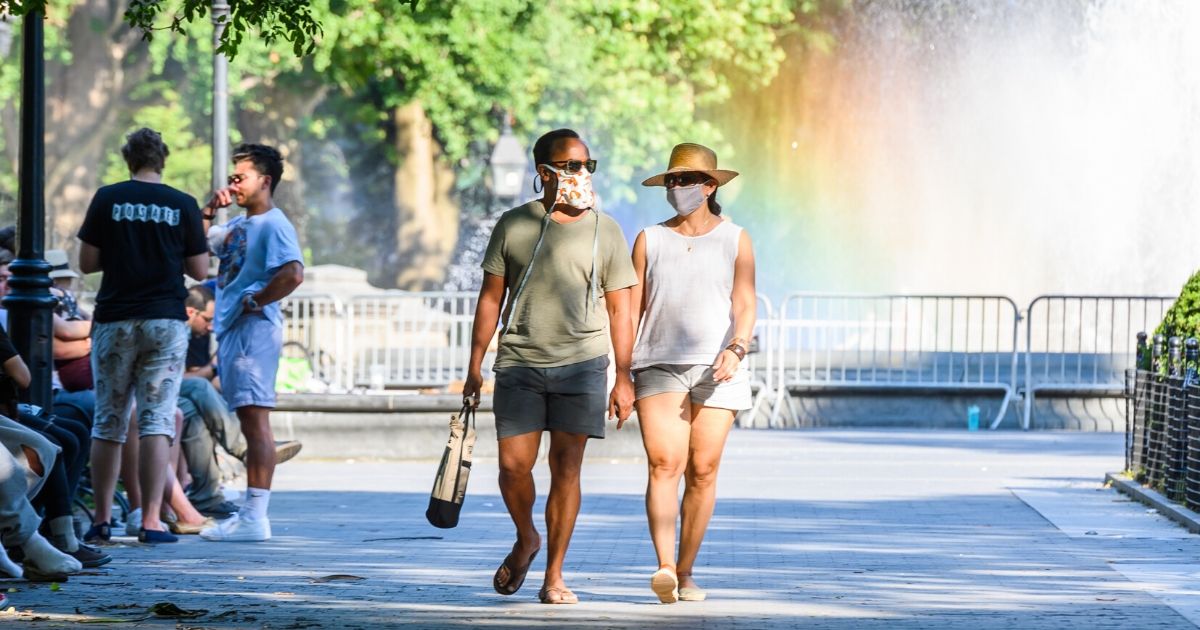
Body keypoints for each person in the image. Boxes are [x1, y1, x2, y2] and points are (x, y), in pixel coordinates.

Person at [463, 129, 637, 605]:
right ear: (545, 173)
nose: (583, 175)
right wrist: (474, 365)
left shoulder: (608, 230)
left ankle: (554, 575)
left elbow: (622, 309)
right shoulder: (513, 225)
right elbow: (490, 298)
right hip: (519, 362)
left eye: (587, 166)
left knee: (567, 469)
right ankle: (527, 538)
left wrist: (624, 377)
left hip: (582, 365)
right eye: (573, 166)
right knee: (513, 466)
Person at [629, 143, 756, 603]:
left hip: (719, 366)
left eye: (686, 181)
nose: (677, 188)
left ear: (709, 186)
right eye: (672, 181)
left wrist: (737, 348)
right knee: (666, 464)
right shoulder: (649, 239)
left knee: (702, 470)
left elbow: (744, 302)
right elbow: (630, 310)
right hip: (658, 363)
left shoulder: (735, 238)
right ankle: (663, 567)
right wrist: (618, 375)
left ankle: (685, 572)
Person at [77, 127, 209, 544]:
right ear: (162, 159)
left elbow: (86, 262)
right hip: (165, 321)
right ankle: (151, 521)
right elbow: (201, 271)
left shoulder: (107, 198)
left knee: (109, 422)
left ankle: (101, 520)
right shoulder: (183, 203)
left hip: (115, 318)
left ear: (127, 159)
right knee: (156, 422)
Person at [200, 143, 304, 542]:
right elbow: (191, 246)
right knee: (249, 420)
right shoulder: (237, 227)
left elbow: (293, 274)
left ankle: (254, 517)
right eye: (232, 178)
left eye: (240, 177)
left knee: (256, 424)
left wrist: (255, 300)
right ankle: (250, 514)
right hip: (235, 331)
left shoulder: (274, 224)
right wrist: (209, 209)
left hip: (253, 331)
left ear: (266, 180)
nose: (234, 184)